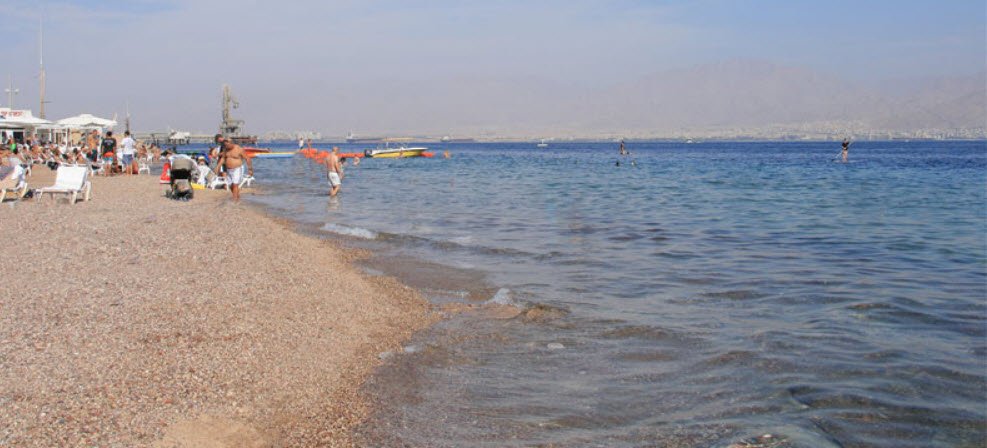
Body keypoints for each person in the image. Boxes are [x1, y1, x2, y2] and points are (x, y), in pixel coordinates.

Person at [213, 134, 253, 202]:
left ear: (231, 143)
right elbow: (223, 158)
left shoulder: (239, 149)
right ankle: (237, 196)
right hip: (229, 170)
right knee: (230, 185)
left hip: (237, 169)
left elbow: (247, 158)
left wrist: (250, 169)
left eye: (227, 144)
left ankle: (234, 201)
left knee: (235, 185)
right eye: (225, 145)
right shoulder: (226, 149)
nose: (226, 146)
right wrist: (218, 166)